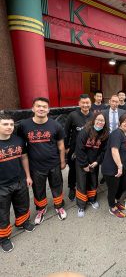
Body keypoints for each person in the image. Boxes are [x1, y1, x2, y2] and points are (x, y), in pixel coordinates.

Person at [18, 97, 67, 225]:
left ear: (48, 109)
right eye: (38, 106)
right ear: (33, 108)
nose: (41, 108)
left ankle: (59, 206)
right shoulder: (24, 125)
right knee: (38, 190)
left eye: (44, 106)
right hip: (36, 166)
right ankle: (41, 209)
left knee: (57, 186)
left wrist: (62, 162)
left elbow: (61, 145)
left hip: (54, 164)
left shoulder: (55, 125)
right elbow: (21, 148)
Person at [0, 114, 35, 253]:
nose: (9, 127)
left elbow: (24, 158)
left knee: (22, 204)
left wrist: (28, 176)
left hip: (19, 180)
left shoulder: (19, 140)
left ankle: (22, 222)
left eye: (11, 124)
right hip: (1, 185)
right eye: (5, 124)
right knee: (2, 213)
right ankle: (4, 237)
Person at [75, 113, 109, 217]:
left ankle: (92, 200)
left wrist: (97, 162)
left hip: (94, 163)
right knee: (82, 183)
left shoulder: (105, 134)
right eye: (98, 120)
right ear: (94, 120)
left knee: (93, 182)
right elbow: (79, 149)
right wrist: (85, 164)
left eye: (102, 120)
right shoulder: (85, 132)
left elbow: (104, 150)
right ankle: (81, 205)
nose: (100, 122)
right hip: (82, 163)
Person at [101, 114, 126, 218]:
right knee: (113, 188)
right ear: (120, 122)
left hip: (122, 167)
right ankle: (112, 207)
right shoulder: (116, 133)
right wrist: (119, 166)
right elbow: (114, 150)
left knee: (124, 185)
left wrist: (124, 167)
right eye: (125, 121)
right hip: (111, 168)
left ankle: (115, 200)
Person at [65, 94, 93, 201]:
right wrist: (67, 147)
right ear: (79, 103)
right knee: (73, 169)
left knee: (87, 168)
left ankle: (86, 186)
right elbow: (66, 132)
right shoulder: (73, 115)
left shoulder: (93, 116)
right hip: (74, 149)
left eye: (87, 103)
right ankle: (72, 187)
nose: (85, 105)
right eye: (83, 102)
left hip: (89, 148)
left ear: (90, 104)